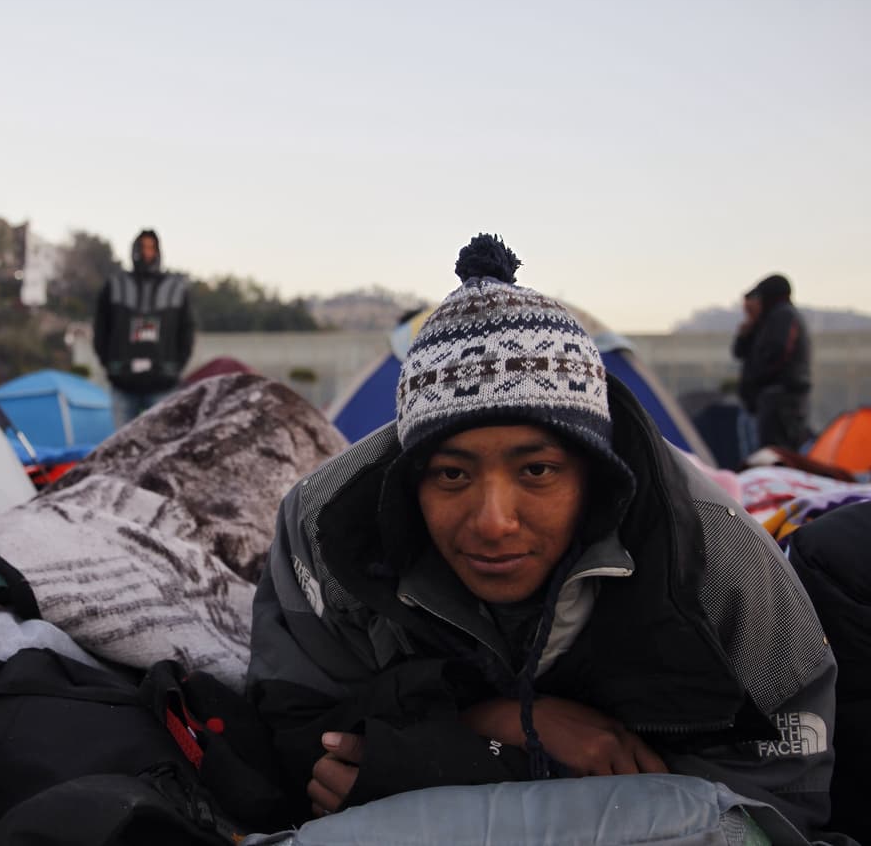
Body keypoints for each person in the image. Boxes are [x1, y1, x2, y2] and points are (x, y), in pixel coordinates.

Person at [246, 235, 837, 838]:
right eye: (451, 474)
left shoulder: (714, 548)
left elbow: (778, 794)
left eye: (537, 471)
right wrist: (499, 728)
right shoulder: (325, 530)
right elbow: (302, 738)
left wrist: (423, 774)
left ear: (594, 472)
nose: (494, 520)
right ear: (409, 479)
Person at [93, 229, 195, 428]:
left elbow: (187, 332)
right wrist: (110, 365)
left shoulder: (175, 287)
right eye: (143, 247)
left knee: (163, 447)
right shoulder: (115, 285)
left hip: (163, 385)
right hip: (123, 385)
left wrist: (175, 367)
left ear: (158, 251)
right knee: (122, 448)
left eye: (151, 247)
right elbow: (100, 329)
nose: (147, 252)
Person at [732, 273, 812, 451]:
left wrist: (756, 383)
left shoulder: (783, 315)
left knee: (771, 457)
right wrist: (749, 327)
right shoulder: (765, 321)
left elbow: (778, 353)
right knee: (760, 458)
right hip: (765, 405)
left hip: (778, 407)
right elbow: (739, 352)